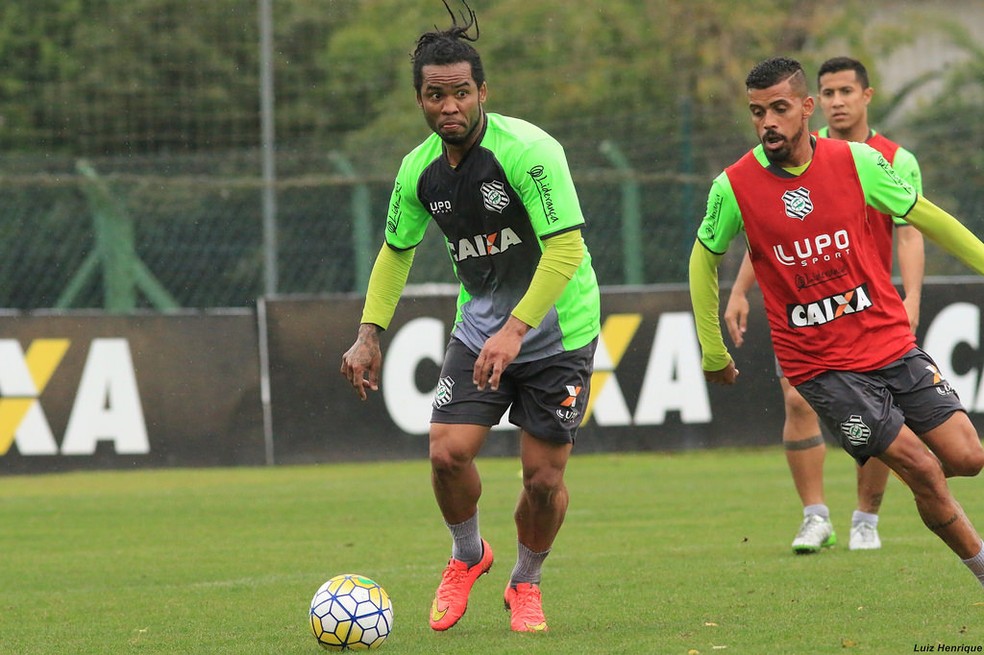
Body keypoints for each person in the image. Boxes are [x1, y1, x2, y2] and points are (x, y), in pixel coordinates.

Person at [339, 0, 600, 634]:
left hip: (557, 330)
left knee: (542, 478)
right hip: (482, 328)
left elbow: (565, 248)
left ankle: (526, 583)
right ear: (420, 100)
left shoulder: (529, 151)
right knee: (446, 454)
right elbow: (396, 252)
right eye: (435, 95)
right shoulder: (417, 172)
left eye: (461, 93)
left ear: (482, 91)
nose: (449, 106)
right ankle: (468, 555)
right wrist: (369, 334)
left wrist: (518, 331)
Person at [689, 56, 984, 586]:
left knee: (966, 458)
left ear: (806, 109)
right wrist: (712, 349)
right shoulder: (733, 185)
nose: (767, 123)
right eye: (757, 113)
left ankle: (906, 485)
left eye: (779, 109)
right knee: (919, 468)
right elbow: (702, 258)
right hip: (820, 365)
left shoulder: (859, 162)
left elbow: (927, 219)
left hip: (888, 340)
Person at [722, 56, 925, 554]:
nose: (837, 102)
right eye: (829, 93)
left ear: (866, 96)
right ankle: (815, 517)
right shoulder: (789, 160)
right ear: (817, 102)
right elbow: (769, 236)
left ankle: (865, 519)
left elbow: (913, 229)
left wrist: (913, 295)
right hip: (801, 312)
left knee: (878, 414)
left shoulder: (889, 158)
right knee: (795, 400)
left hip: (866, 312)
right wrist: (739, 290)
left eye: (845, 92)